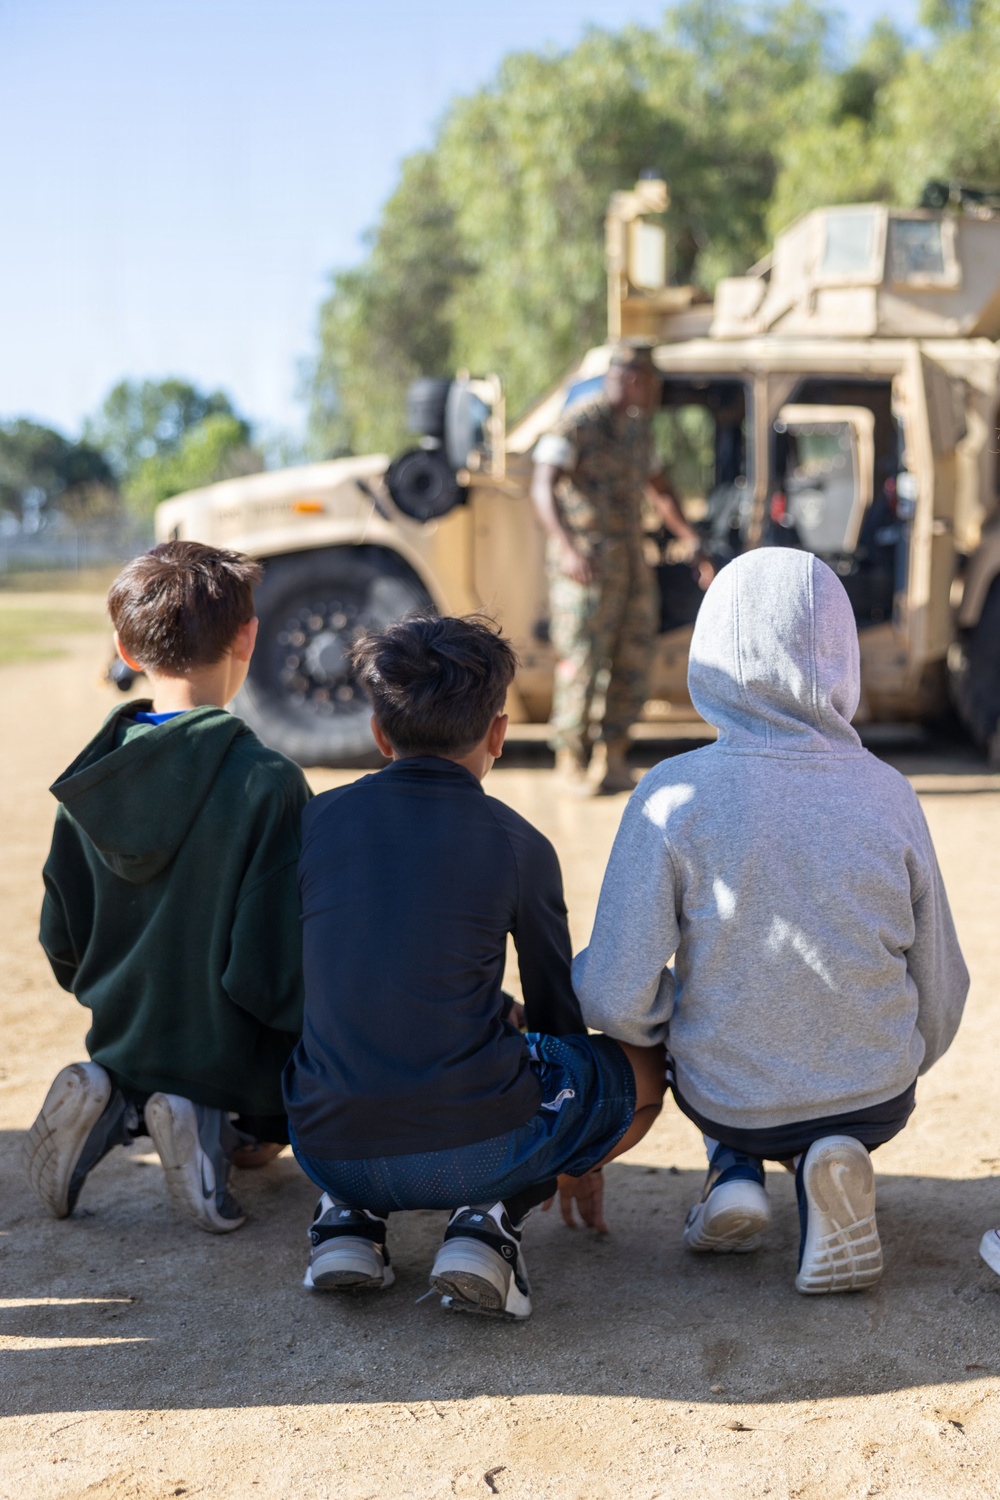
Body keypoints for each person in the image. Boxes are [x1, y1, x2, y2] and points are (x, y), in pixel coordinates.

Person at [573, 548, 969, 1295]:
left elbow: (614, 994)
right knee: (830, 1081)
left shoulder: (672, 793)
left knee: (710, 1025)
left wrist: (668, 1015)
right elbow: (942, 982)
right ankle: (833, 1154)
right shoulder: (891, 792)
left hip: (730, 1098)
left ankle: (732, 1173)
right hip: (876, 1093)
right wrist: (897, 1058)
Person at [283, 613, 666, 1319]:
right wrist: (575, 1153)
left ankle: (346, 1217)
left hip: (324, 1140)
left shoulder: (317, 821)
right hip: (476, 1152)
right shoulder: (520, 844)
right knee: (644, 1068)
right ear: (498, 734)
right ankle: (489, 1221)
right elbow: (555, 1011)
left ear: (379, 733)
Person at [26, 541, 311, 1233]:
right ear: (248, 636)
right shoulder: (268, 782)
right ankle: (206, 1120)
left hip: (122, 1029)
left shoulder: (89, 784)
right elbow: (274, 965)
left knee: (136, 1064)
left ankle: (114, 1095)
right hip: (225, 1051)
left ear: (125, 649)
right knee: (277, 1096)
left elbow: (60, 938)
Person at [531, 341, 713, 796]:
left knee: (633, 658)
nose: (654, 394)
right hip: (587, 566)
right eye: (651, 383)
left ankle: (612, 756)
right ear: (633, 380)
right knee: (582, 660)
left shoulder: (637, 431)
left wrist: (690, 540)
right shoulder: (578, 424)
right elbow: (542, 487)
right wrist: (568, 549)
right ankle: (570, 759)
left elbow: (660, 490)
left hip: (631, 564)